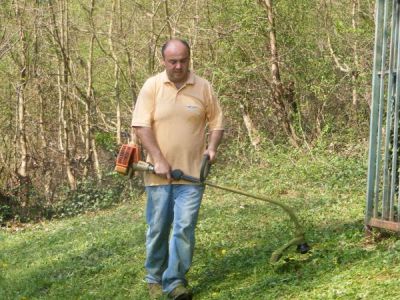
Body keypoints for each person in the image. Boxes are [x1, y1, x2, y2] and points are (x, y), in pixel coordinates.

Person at [131, 38, 224, 300]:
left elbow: (217, 122)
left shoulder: (203, 86)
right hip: (158, 176)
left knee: (184, 228)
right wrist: (159, 158)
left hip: (193, 175)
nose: (179, 66)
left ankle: (175, 282)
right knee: (158, 228)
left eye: (183, 60)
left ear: (189, 59)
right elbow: (140, 125)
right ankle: (154, 279)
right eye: (173, 61)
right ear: (163, 61)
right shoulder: (152, 87)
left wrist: (212, 147)